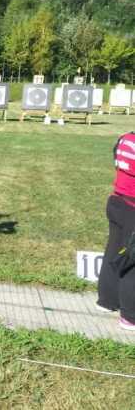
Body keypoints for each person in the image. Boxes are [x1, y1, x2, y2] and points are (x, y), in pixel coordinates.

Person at [97, 131, 135, 331]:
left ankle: (107, 300)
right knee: (132, 261)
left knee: (114, 251)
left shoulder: (126, 138)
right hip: (132, 207)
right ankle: (130, 316)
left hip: (117, 201)